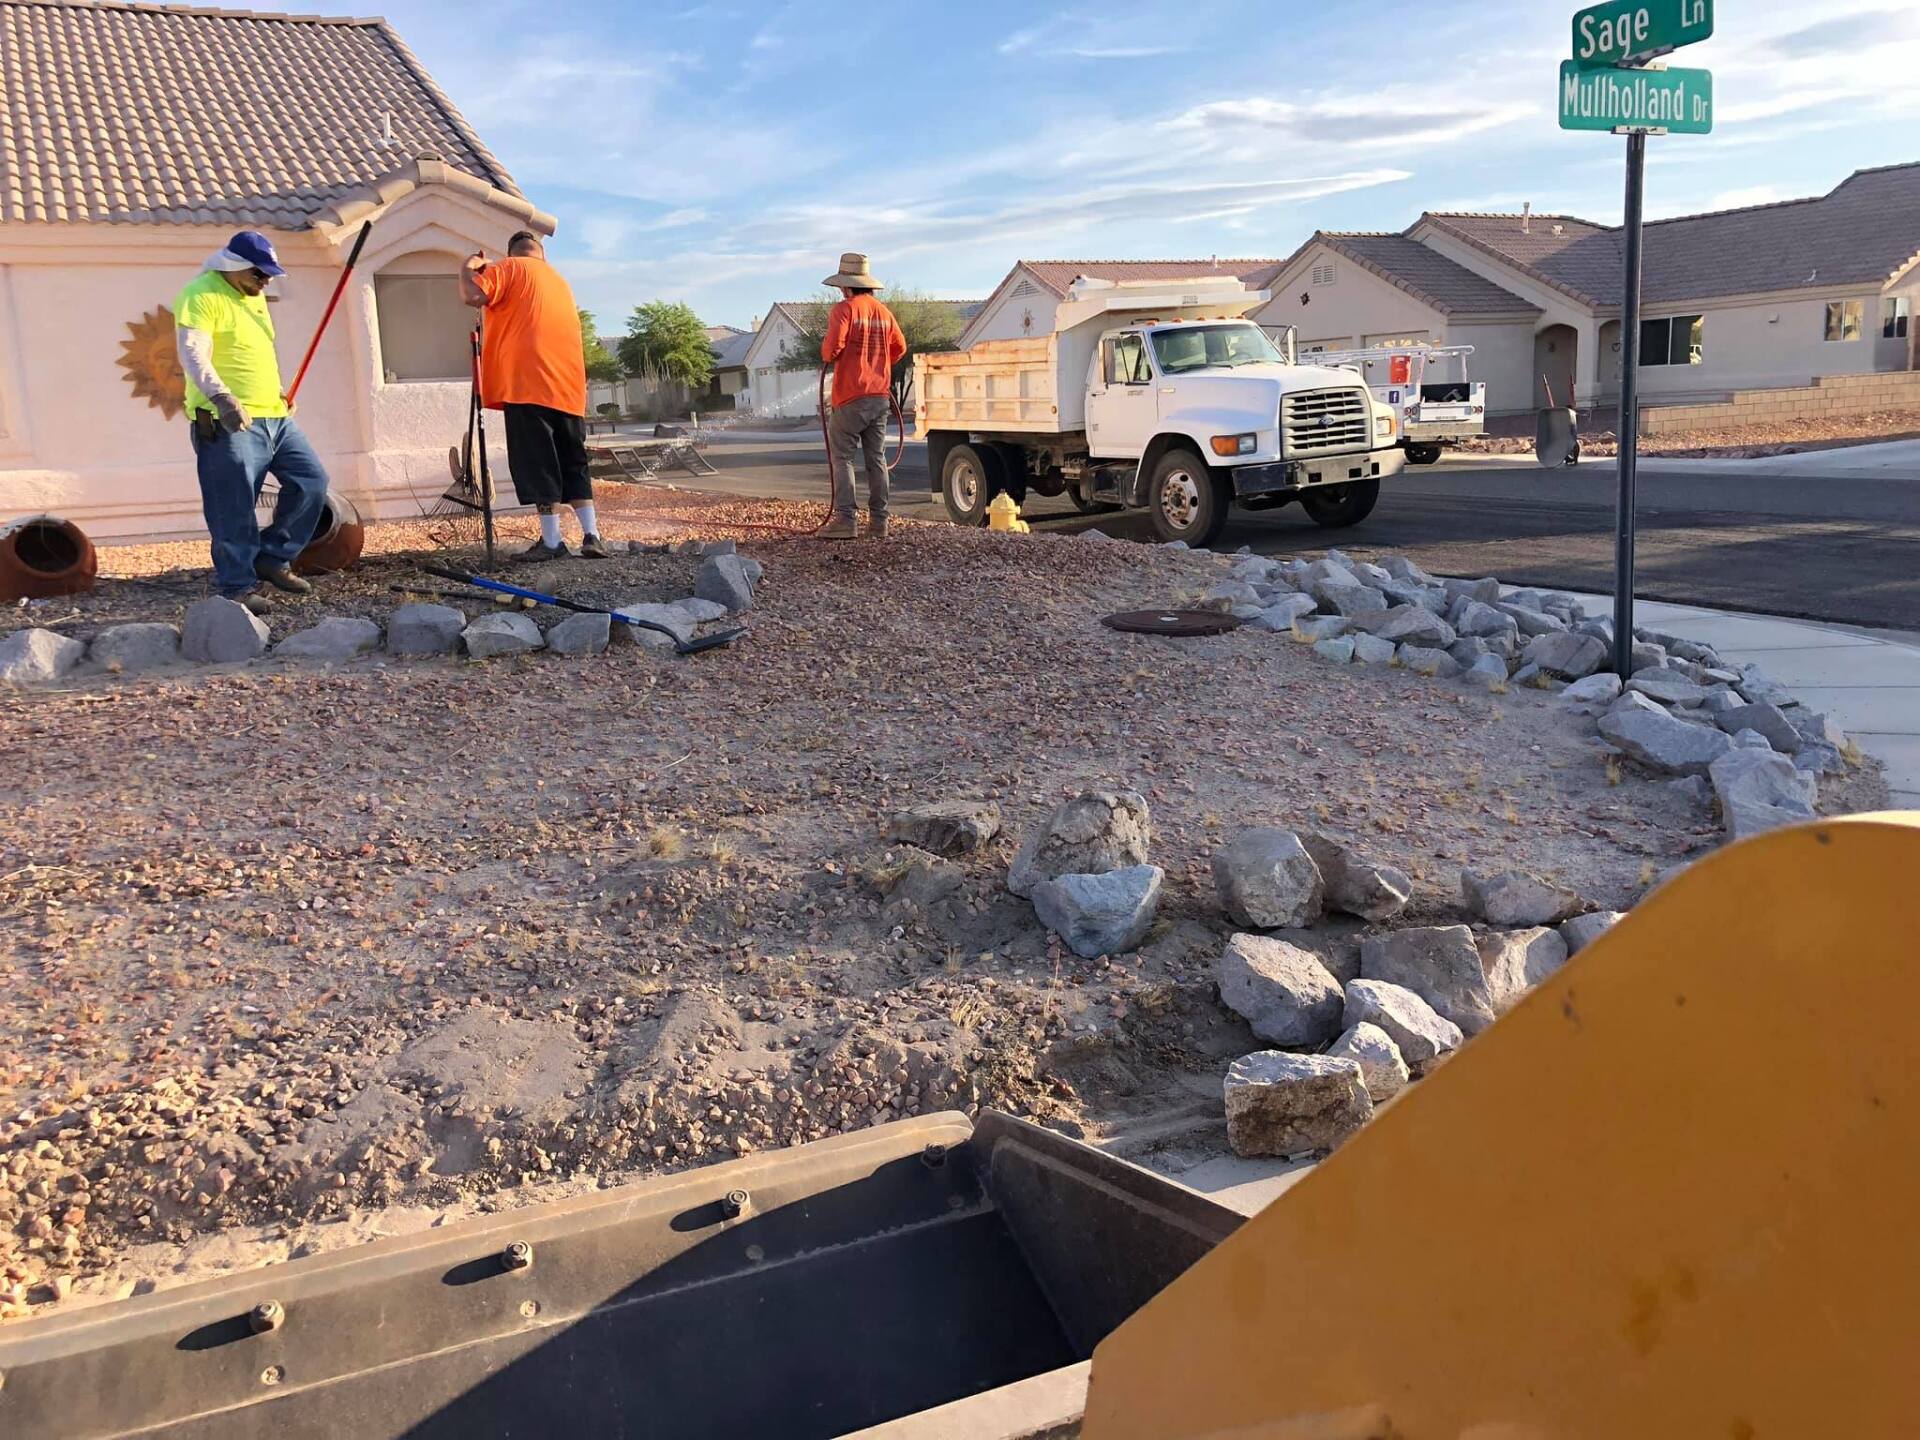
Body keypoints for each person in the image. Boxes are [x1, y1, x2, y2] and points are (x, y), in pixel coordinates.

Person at [173, 230, 331, 614]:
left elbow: (255, 352)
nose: (265, 281)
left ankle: (273, 556)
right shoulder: (201, 294)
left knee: (312, 481)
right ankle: (237, 585)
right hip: (226, 419)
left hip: (275, 417)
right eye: (259, 274)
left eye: (269, 275)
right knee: (234, 503)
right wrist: (223, 398)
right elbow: (193, 353)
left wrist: (277, 392)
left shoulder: (254, 297)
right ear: (233, 265)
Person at [460, 231, 604, 560]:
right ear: (542, 255)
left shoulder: (508, 268)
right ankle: (592, 535)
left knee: (539, 465)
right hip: (568, 388)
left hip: (527, 384)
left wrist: (468, 266)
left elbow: (471, 295)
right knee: (573, 462)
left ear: (512, 253)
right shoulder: (559, 282)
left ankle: (553, 543)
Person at [818, 252, 906, 540]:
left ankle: (845, 519)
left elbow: (831, 351)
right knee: (876, 458)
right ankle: (879, 522)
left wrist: (848, 359)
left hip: (850, 397)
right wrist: (877, 364)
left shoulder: (844, 310)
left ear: (845, 286)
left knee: (842, 457)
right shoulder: (884, 312)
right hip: (879, 396)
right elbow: (900, 347)